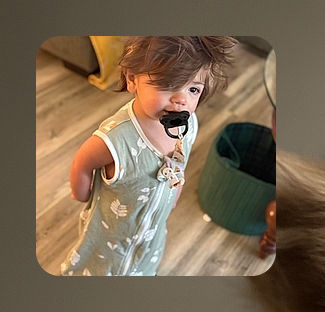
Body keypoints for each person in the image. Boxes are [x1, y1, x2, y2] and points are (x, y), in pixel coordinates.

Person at [61, 36, 236, 276]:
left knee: (142, 266)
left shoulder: (189, 124)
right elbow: (83, 161)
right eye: (167, 84)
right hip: (111, 230)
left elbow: (179, 163)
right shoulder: (115, 139)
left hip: (153, 229)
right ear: (132, 79)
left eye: (193, 89)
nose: (181, 99)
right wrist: (80, 192)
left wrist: (175, 194)